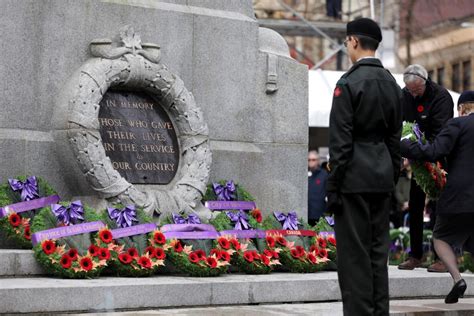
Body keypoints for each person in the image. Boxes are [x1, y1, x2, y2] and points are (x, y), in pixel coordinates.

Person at [327, 18, 402, 315]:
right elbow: (395, 142)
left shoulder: (347, 83)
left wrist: (333, 186)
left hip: (353, 180)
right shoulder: (393, 86)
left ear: (355, 41)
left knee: (354, 259)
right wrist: (391, 178)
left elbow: (341, 144)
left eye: (347, 41)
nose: (346, 46)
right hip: (381, 178)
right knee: (377, 257)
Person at [400, 91, 474, 304]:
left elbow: (434, 151)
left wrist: (406, 145)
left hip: (458, 195)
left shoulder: (457, 124)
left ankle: (458, 279)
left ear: (461, 109)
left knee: (440, 236)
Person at [398, 64, 454, 272]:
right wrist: (405, 151)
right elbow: (401, 124)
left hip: (439, 156)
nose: (413, 94)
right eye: (409, 90)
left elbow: (441, 134)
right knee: (415, 204)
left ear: (425, 82)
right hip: (416, 156)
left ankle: (442, 257)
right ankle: (415, 255)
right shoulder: (405, 95)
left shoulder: (441, 97)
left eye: (416, 90)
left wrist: (418, 150)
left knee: (440, 208)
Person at [308, 150, 328, 225]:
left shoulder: (324, 175)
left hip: (319, 214)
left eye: (313, 160)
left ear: (318, 161)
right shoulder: (304, 174)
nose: (311, 162)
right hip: (306, 213)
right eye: (309, 160)